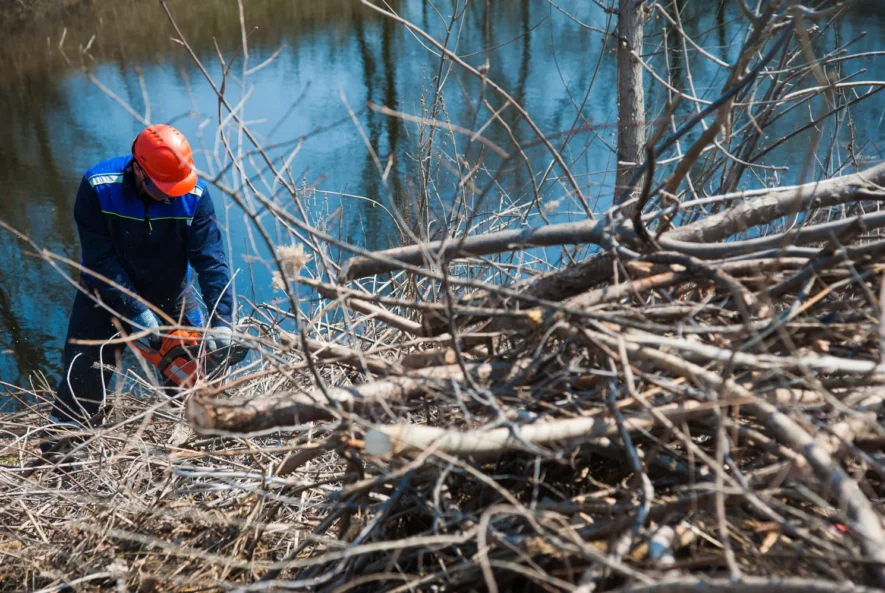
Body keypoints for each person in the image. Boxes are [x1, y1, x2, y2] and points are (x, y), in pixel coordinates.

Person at [48, 124, 236, 428]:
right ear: (138, 169)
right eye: (163, 188)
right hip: (103, 294)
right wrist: (136, 310)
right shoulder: (98, 187)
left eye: (177, 188)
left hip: (171, 295)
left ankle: (194, 443)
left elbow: (212, 262)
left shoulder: (195, 194)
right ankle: (65, 444)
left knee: (198, 384)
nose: (170, 196)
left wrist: (223, 322)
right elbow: (99, 259)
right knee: (81, 379)